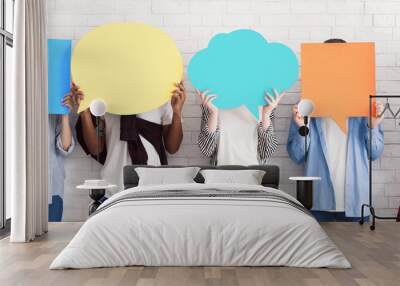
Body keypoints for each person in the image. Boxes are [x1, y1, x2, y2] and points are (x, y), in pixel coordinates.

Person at [286, 38, 385, 221]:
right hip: (318, 203)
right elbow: (296, 157)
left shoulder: (365, 107)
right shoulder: (304, 108)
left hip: (356, 205)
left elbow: (375, 154)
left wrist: (373, 126)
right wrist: (302, 127)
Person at [73, 82, 186, 194]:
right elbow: (96, 149)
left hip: (152, 185)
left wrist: (177, 112)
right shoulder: (104, 97)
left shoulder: (162, 97)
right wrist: (84, 112)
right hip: (113, 185)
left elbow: (172, 148)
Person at [197, 89, 284, 165]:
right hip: (220, 174)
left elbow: (266, 152)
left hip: (254, 174)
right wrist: (213, 113)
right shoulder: (212, 103)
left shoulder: (265, 104)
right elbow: (207, 150)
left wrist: (266, 114)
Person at [48, 93, 77, 222]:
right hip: (23, 188)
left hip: (52, 188)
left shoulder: (54, 109)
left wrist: (65, 114)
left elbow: (65, 148)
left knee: (51, 234)